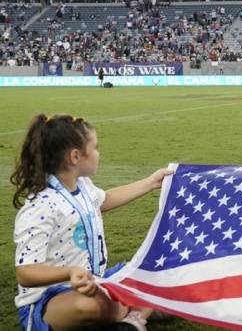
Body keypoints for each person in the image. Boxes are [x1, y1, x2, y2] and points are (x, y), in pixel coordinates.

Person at [11, 114, 173, 331]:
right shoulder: (40, 207)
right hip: (51, 297)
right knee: (88, 307)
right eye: (95, 147)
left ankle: (132, 317)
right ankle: (138, 310)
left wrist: (151, 183)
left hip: (97, 281)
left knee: (155, 268)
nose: (99, 153)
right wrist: (69, 273)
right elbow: (26, 273)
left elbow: (104, 200)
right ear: (75, 156)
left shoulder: (83, 185)